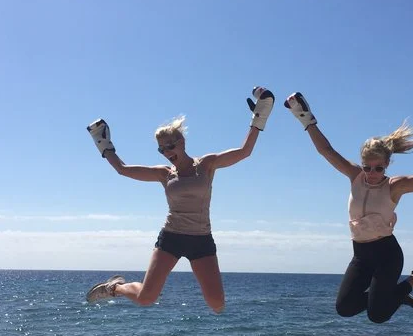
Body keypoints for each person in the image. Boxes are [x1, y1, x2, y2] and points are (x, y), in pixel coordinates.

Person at [284, 92, 413, 323]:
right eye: (367, 167)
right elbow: (326, 150)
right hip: (360, 255)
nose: (372, 173)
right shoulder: (355, 176)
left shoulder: (394, 186)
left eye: (378, 168)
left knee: (378, 314)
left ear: (387, 164)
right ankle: (395, 294)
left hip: (387, 254)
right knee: (344, 307)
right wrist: (305, 118)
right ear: (362, 164)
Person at [84, 87, 275, 312]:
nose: (167, 152)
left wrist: (260, 115)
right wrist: (102, 142)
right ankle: (114, 288)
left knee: (217, 305)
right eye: (161, 149)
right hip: (171, 237)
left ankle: (117, 287)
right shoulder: (164, 174)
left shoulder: (207, 164)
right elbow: (122, 169)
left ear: (182, 141)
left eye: (170, 146)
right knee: (146, 298)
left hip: (201, 239)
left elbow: (245, 151)